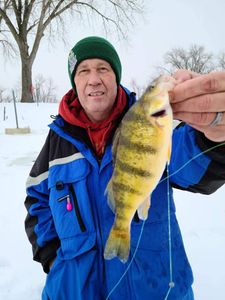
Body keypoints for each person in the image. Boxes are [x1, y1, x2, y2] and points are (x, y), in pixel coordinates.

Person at [24, 36, 225, 300]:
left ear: (115, 76)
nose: (93, 79)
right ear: (75, 81)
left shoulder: (148, 120)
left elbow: (194, 163)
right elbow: (36, 201)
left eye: (103, 69)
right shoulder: (57, 141)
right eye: (83, 70)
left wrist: (214, 135)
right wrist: (53, 260)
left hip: (154, 290)